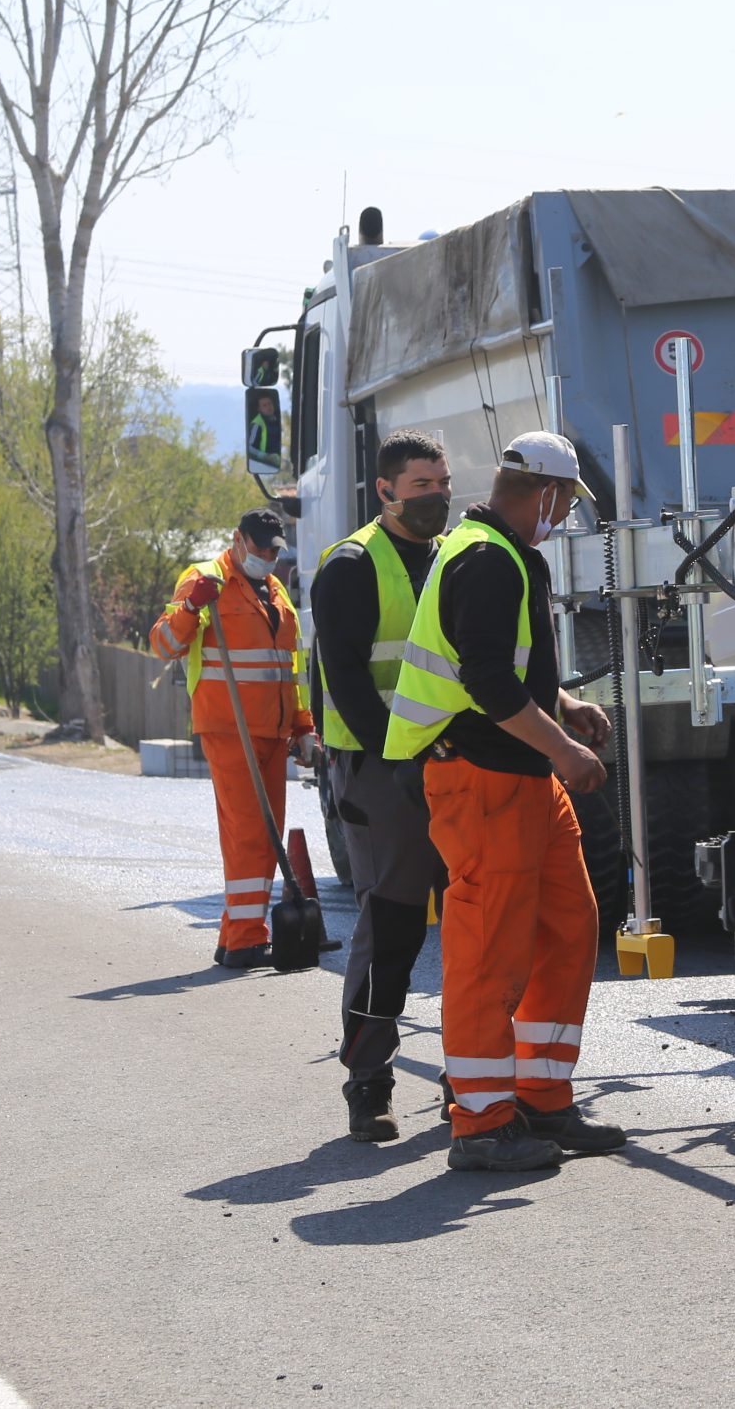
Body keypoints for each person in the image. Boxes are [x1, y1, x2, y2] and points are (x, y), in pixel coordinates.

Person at [384, 432, 620, 1174]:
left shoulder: (505, 553)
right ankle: (482, 1122)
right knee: (488, 950)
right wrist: (564, 748)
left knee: (568, 925)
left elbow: (505, 669)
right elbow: (484, 680)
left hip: (518, 777)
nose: (566, 515)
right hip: (481, 778)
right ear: (545, 492)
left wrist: (563, 704)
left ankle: (540, 1096)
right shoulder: (485, 558)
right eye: (566, 502)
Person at [311, 429, 456, 1143]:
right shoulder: (351, 565)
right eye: (422, 485)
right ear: (386, 490)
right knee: (393, 924)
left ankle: (475, 1077)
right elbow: (345, 682)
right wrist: (399, 758)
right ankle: (369, 1084)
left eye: (443, 483)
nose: (436, 496)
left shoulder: (455, 557)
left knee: (472, 923)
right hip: (379, 770)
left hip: (455, 766)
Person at [149, 507, 314, 968]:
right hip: (230, 728)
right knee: (248, 834)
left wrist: (303, 726)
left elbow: (292, 669)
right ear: (238, 540)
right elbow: (163, 645)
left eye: (274, 551)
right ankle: (244, 939)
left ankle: (238, 935)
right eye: (260, 548)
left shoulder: (276, 591)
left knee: (268, 834)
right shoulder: (206, 580)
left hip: (273, 732)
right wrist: (191, 608)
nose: (268, 557)